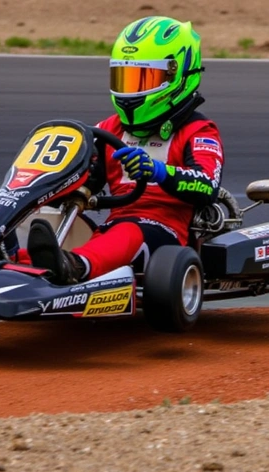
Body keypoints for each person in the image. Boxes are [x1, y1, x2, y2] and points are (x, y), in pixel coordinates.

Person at [26, 16, 225, 284]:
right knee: (47, 220)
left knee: (127, 233)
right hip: (114, 227)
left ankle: (76, 267)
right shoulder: (109, 128)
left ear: (177, 76)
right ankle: (6, 257)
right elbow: (89, 178)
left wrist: (158, 171)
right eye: (126, 79)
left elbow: (207, 186)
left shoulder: (199, 131)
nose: (131, 91)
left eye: (143, 78)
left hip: (165, 236)